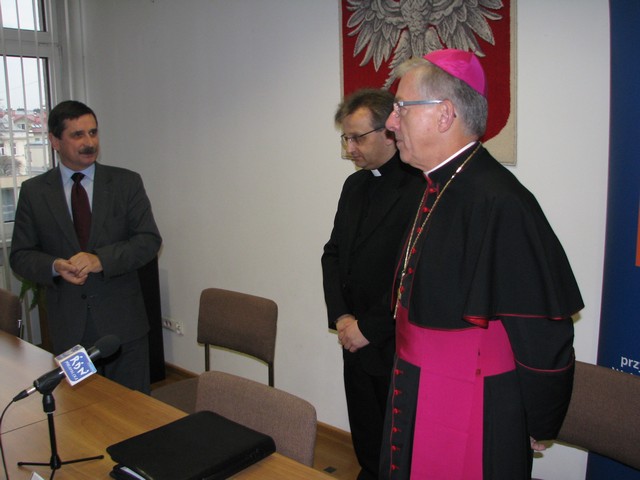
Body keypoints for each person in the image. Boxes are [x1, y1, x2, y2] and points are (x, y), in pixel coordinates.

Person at [379, 49, 584, 479]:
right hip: (416, 382)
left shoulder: (503, 202)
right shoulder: (435, 185)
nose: (391, 123)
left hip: (471, 396)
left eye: (401, 108)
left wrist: (540, 416)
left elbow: (542, 329)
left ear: (444, 115)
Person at [10, 100, 162, 394]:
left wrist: (100, 260)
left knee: (133, 412)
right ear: (55, 141)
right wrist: (55, 266)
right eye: (77, 135)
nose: (89, 142)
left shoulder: (125, 183)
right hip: (71, 331)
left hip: (123, 329)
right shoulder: (34, 192)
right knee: (81, 411)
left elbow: (148, 240)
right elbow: (20, 255)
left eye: (93, 133)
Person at [322, 88, 424, 480]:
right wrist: (342, 317)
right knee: (366, 437)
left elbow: (414, 274)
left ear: (390, 133)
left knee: (400, 446)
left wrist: (369, 327)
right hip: (353, 336)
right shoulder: (355, 186)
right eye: (345, 139)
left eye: (357, 138)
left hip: (393, 341)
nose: (350, 149)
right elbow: (333, 254)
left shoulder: (420, 189)